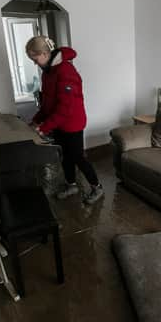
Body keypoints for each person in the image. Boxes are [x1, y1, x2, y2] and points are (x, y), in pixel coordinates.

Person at [26, 36, 103, 204]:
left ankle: (97, 187)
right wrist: (36, 120)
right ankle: (71, 185)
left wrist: (44, 128)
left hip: (72, 123)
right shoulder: (48, 72)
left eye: (35, 58)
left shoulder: (66, 71)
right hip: (58, 123)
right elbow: (48, 104)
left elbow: (64, 109)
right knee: (64, 156)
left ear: (45, 53)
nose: (34, 62)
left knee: (77, 157)